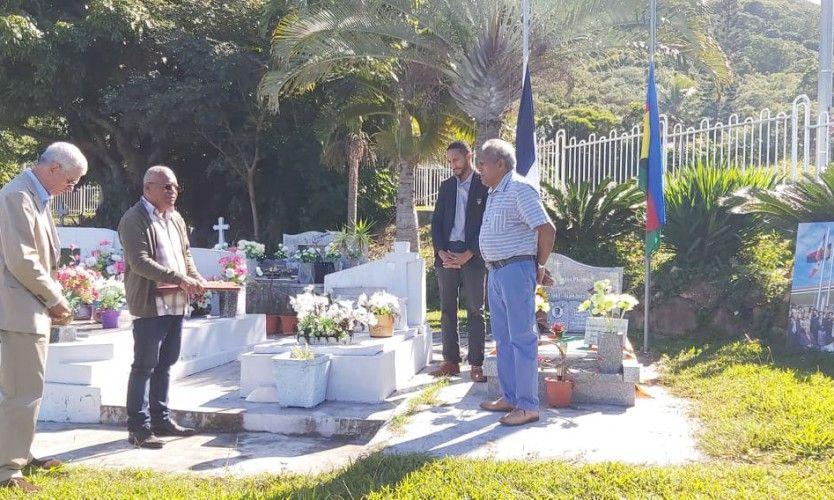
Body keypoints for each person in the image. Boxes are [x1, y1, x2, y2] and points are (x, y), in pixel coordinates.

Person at [0, 142, 88, 492]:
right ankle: (8, 471)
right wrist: (55, 299)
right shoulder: (17, 196)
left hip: (25, 308)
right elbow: (22, 259)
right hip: (18, 309)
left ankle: (19, 453)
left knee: (24, 389)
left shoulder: (34, 196)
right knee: (22, 391)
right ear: (53, 168)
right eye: (71, 180)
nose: (73, 188)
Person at [118, 166, 206, 449]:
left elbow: (185, 254)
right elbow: (139, 262)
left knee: (166, 363)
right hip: (150, 303)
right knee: (144, 365)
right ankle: (138, 428)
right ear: (148, 188)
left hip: (176, 303)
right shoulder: (134, 219)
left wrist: (195, 278)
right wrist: (179, 278)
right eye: (166, 187)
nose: (173, 192)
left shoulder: (176, 218)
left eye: (175, 187)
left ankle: (161, 419)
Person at [476, 139, 556, 427]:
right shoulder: (496, 192)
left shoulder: (519, 189)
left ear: (500, 164)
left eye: (483, 163)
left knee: (522, 338)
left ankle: (528, 406)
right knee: (503, 338)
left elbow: (546, 230)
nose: (479, 169)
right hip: (496, 272)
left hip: (515, 271)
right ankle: (510, 397)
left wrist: (539, 265)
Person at [429, 141, 489, 382]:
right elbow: (436, 223)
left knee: (475, 310)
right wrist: (441, 252)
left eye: (456, 160)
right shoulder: (445, 188)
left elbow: (487, 223)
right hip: (447, 254)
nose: (452, 165)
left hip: (473, 256)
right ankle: (451, 362)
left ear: (468, 156)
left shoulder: (483, 186)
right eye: (449, 161)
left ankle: (476, 363)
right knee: (446, 310)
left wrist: (470, 253)